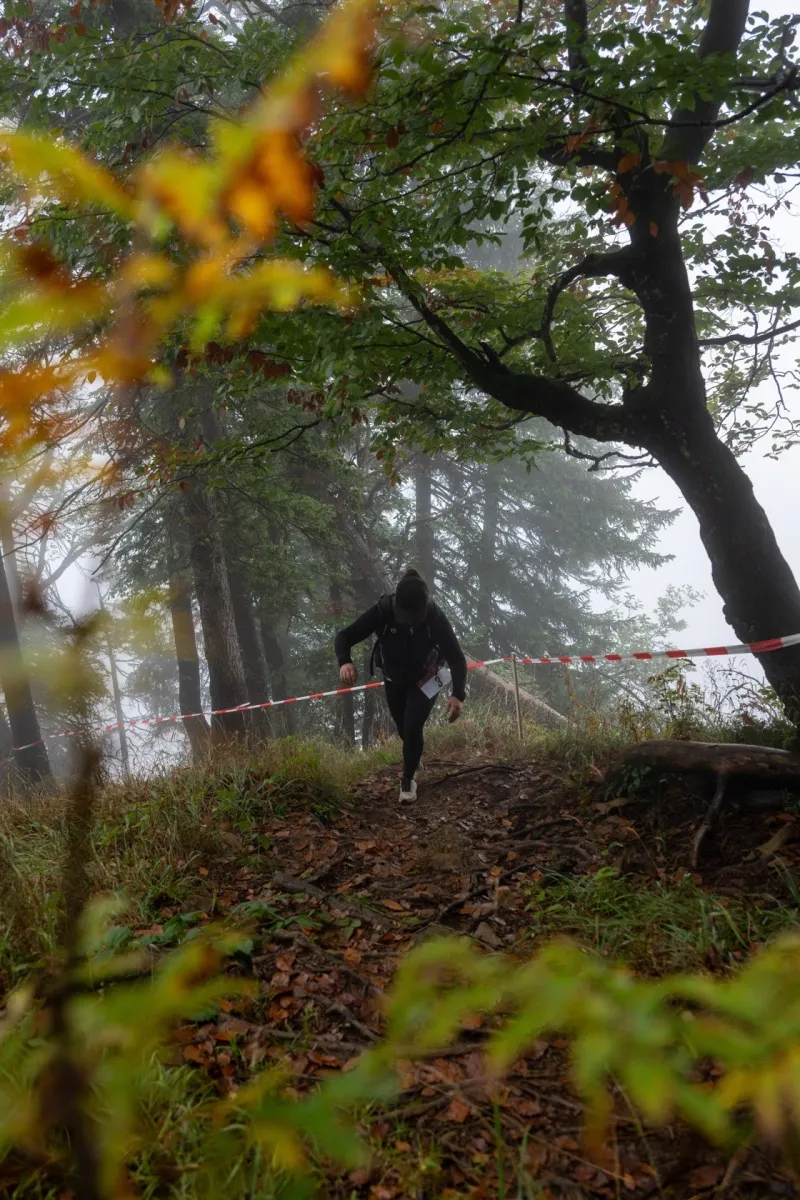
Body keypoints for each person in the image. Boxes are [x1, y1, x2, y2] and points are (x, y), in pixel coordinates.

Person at [334, 569, 467, 801]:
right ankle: (414, 760)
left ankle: (408, 780)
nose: (413, 619)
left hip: (429, 677)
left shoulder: (434, 617)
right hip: (393, 679)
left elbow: (456, 658)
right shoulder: (384, 610)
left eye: (417, 614)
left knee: (412, 724)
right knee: (404, 728)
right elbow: (344, 637)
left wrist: (457, 695)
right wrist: (345, 662)